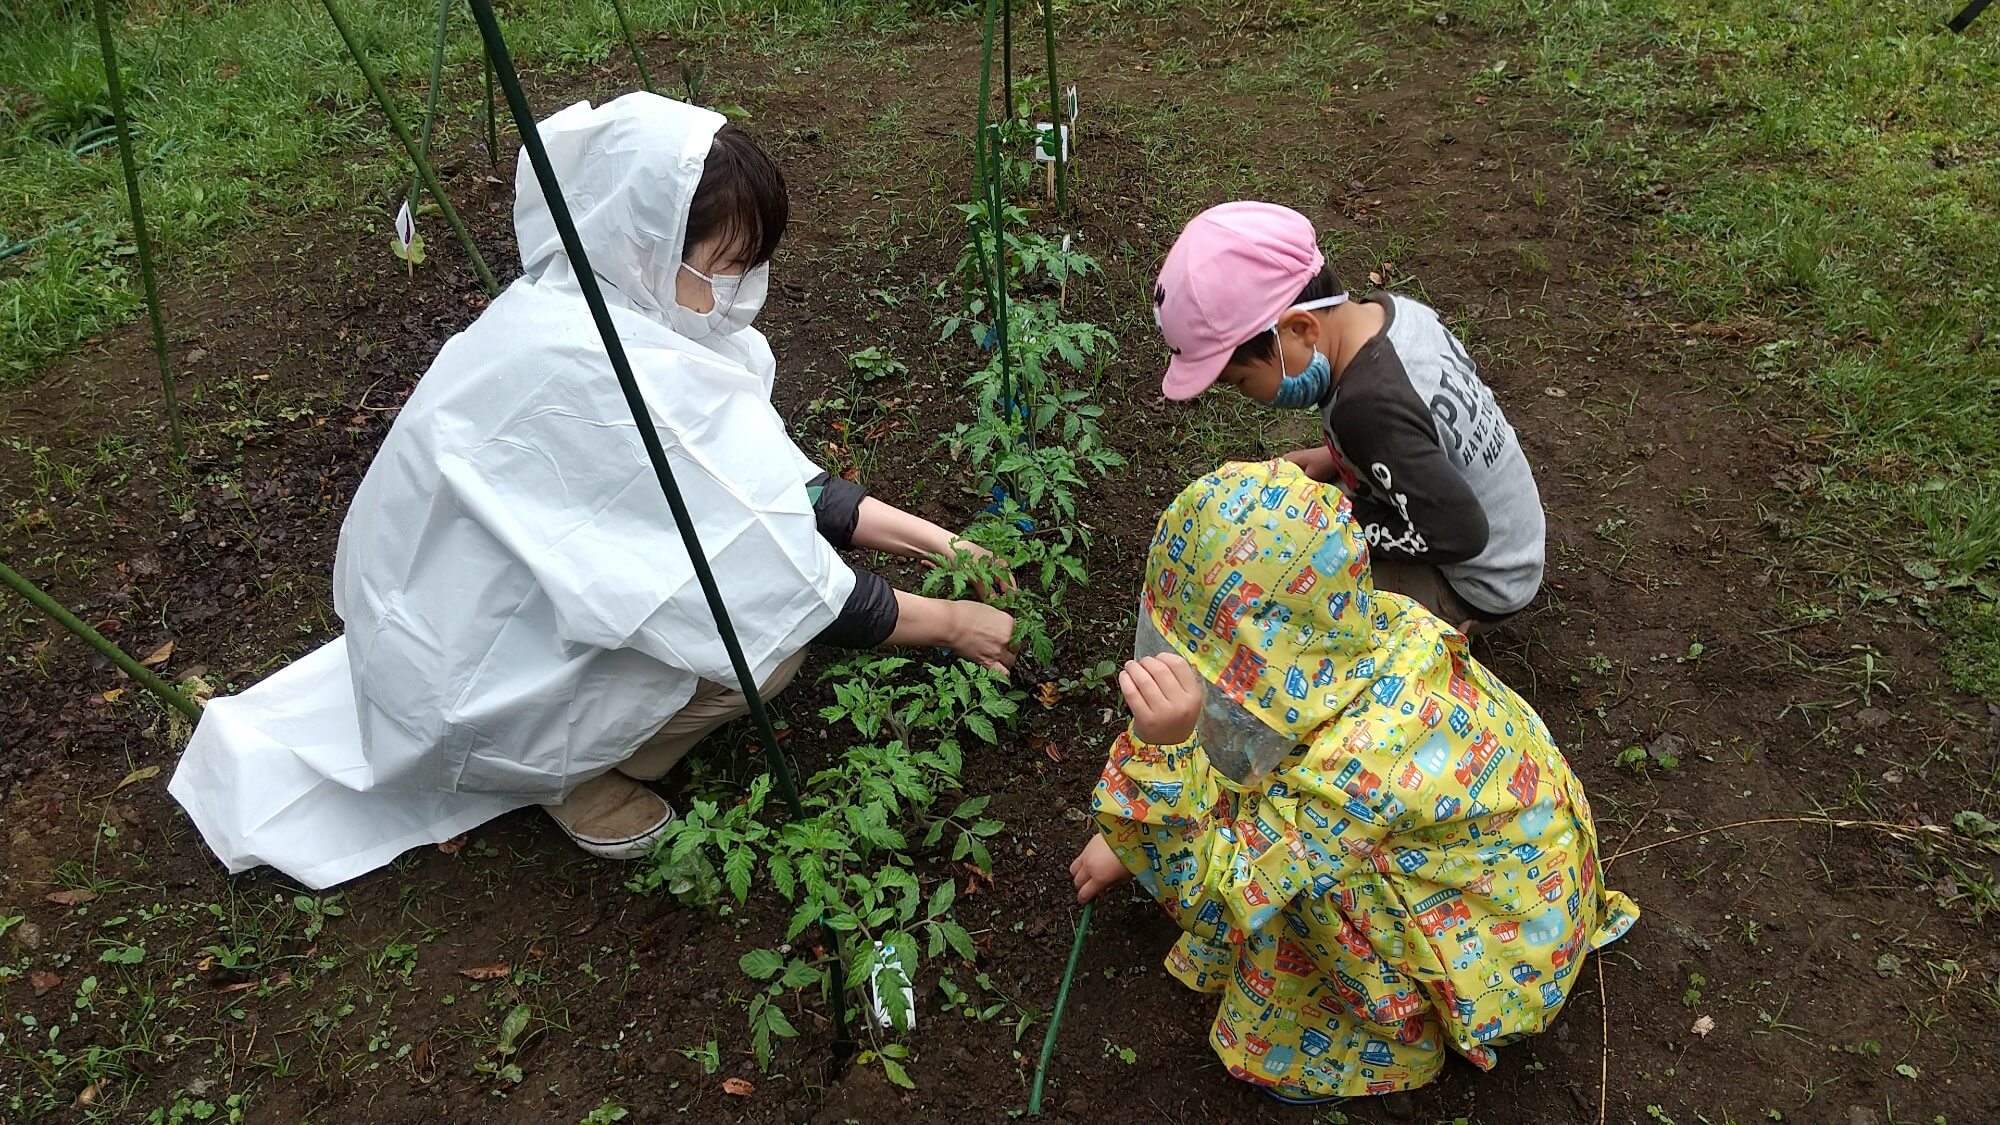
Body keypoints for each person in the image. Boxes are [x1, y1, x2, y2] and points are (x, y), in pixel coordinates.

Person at [170, 93, 1014, 888]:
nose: (742, 292)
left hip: (454, 619)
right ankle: (568, 774)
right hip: (469, 671)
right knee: (766, 651)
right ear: (648, 241)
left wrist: (943, 544)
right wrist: (952, 623)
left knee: (743, 619)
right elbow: (774, 570)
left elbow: (778, 485)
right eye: (726, 267)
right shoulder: (598, 371)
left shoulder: (603, 303)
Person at [1067, 460, 1636, 1105]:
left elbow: (1222, 898)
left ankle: (1373, 1036)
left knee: (1307, 890)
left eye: (1216, 682)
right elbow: (1257, 746)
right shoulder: (1363, 630)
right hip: (1525, 863)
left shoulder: (1351, 779)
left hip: (1500, 945)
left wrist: (1160, 768)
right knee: (1296, 832)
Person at [1150, 202, 1545, 635]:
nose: (1248, 396)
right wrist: (1334, 455)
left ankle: (1440, 629)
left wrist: (1343, 533)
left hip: (1476, 579)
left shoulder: (1368, 408)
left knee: (1293, 590)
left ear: (1299, 330)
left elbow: (1460, 534)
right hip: (1513, 536)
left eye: (1241, 381)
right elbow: (1422, 430)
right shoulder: (1390, 315)